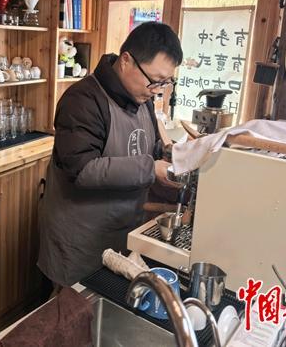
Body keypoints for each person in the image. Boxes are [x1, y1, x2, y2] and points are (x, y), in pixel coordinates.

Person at [38, 21, 183, 289]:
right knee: (72, 307)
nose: (158, 90)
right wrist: (151, 169)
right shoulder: (83, 100)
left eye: (166, 82)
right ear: (126, 60)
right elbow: (82, 170)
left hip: (123, 230)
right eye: (155, 80)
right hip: (81, 239)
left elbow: (147, 147)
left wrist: (173, 155)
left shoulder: (142, 98)